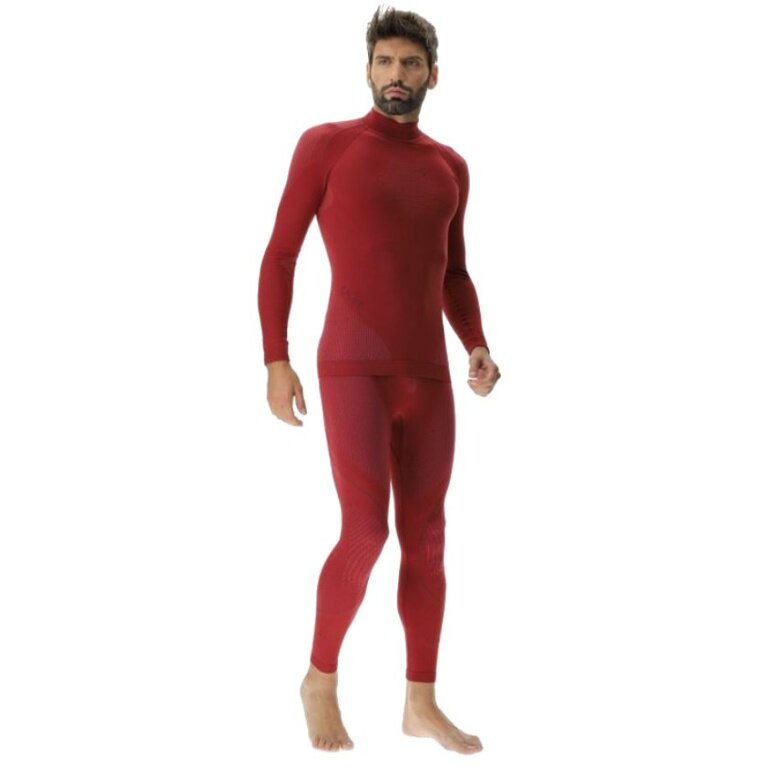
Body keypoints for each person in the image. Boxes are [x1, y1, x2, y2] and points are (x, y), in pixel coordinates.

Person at [257, 5, 500, 754]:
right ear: (367, 69)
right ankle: (320, 680)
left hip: (429, 375)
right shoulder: (327, 146)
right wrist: (275, 358)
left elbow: (452, 271)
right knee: (365, 530)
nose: (398, 76)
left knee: (427, 539)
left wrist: (476, 344)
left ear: (434, 76)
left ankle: (420, 703)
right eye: (386, 62)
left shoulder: (449, 166)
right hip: (352, 367)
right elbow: (281, 255)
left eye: (411, 64)